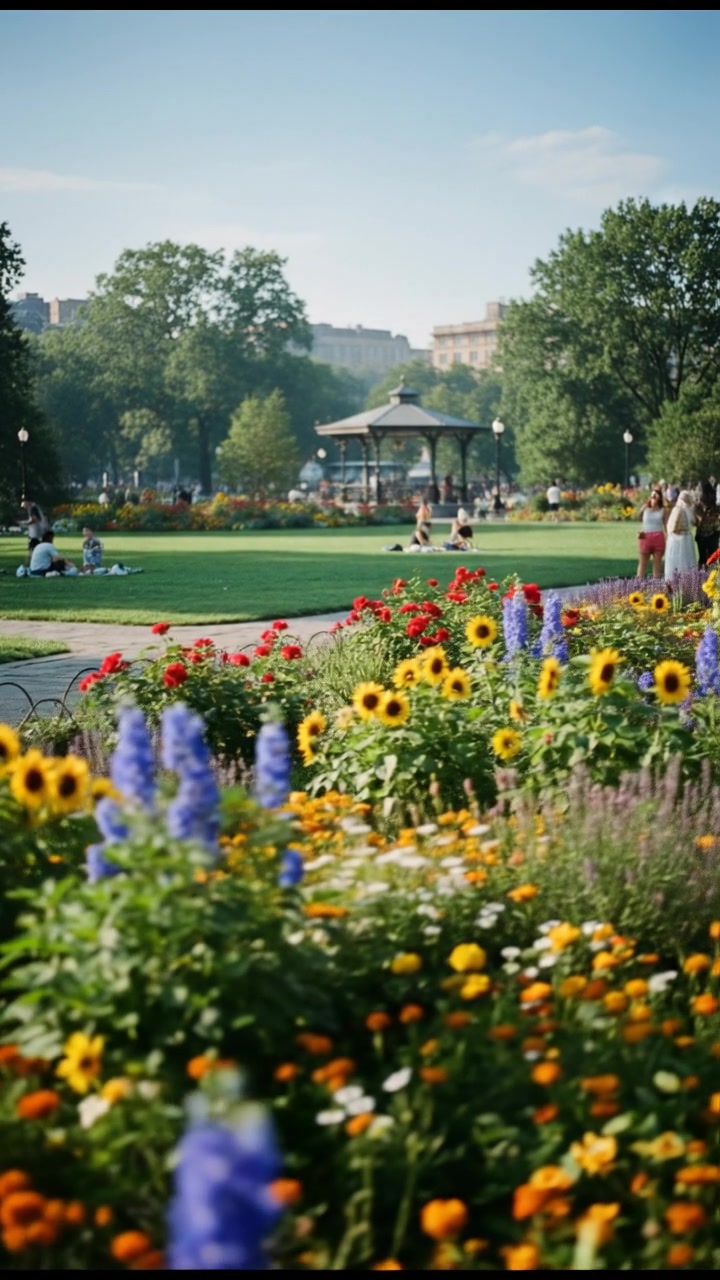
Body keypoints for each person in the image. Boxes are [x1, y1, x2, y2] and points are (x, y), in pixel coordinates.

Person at [664, 489, 696, 578]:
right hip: (687, 538)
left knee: (677, 561)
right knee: (687, 561)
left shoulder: (677, 509)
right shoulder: (688, 510)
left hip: (678, 539)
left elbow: (672, 527)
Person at [636, 489, 667, 578]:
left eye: (656, 497)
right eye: (653, 496)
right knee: (642, 563)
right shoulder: (645, 508)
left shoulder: (663, 510)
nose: (654, 499)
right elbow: (638, 516)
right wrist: (645, 505)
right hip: (645, 537)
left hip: (658, 537)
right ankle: (638, 585)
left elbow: (665, 525)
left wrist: (668, 538)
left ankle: (656, 586)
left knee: (657, 565)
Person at [694, 480, 720, 568]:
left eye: (701, 492)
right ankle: (701, 576)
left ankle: (713, 577)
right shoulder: (698, 506)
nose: (699, 494)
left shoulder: (715, 506)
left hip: (713, 534)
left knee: (712, 557)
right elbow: (699, 520)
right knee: (702, 558)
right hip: (702, 535)